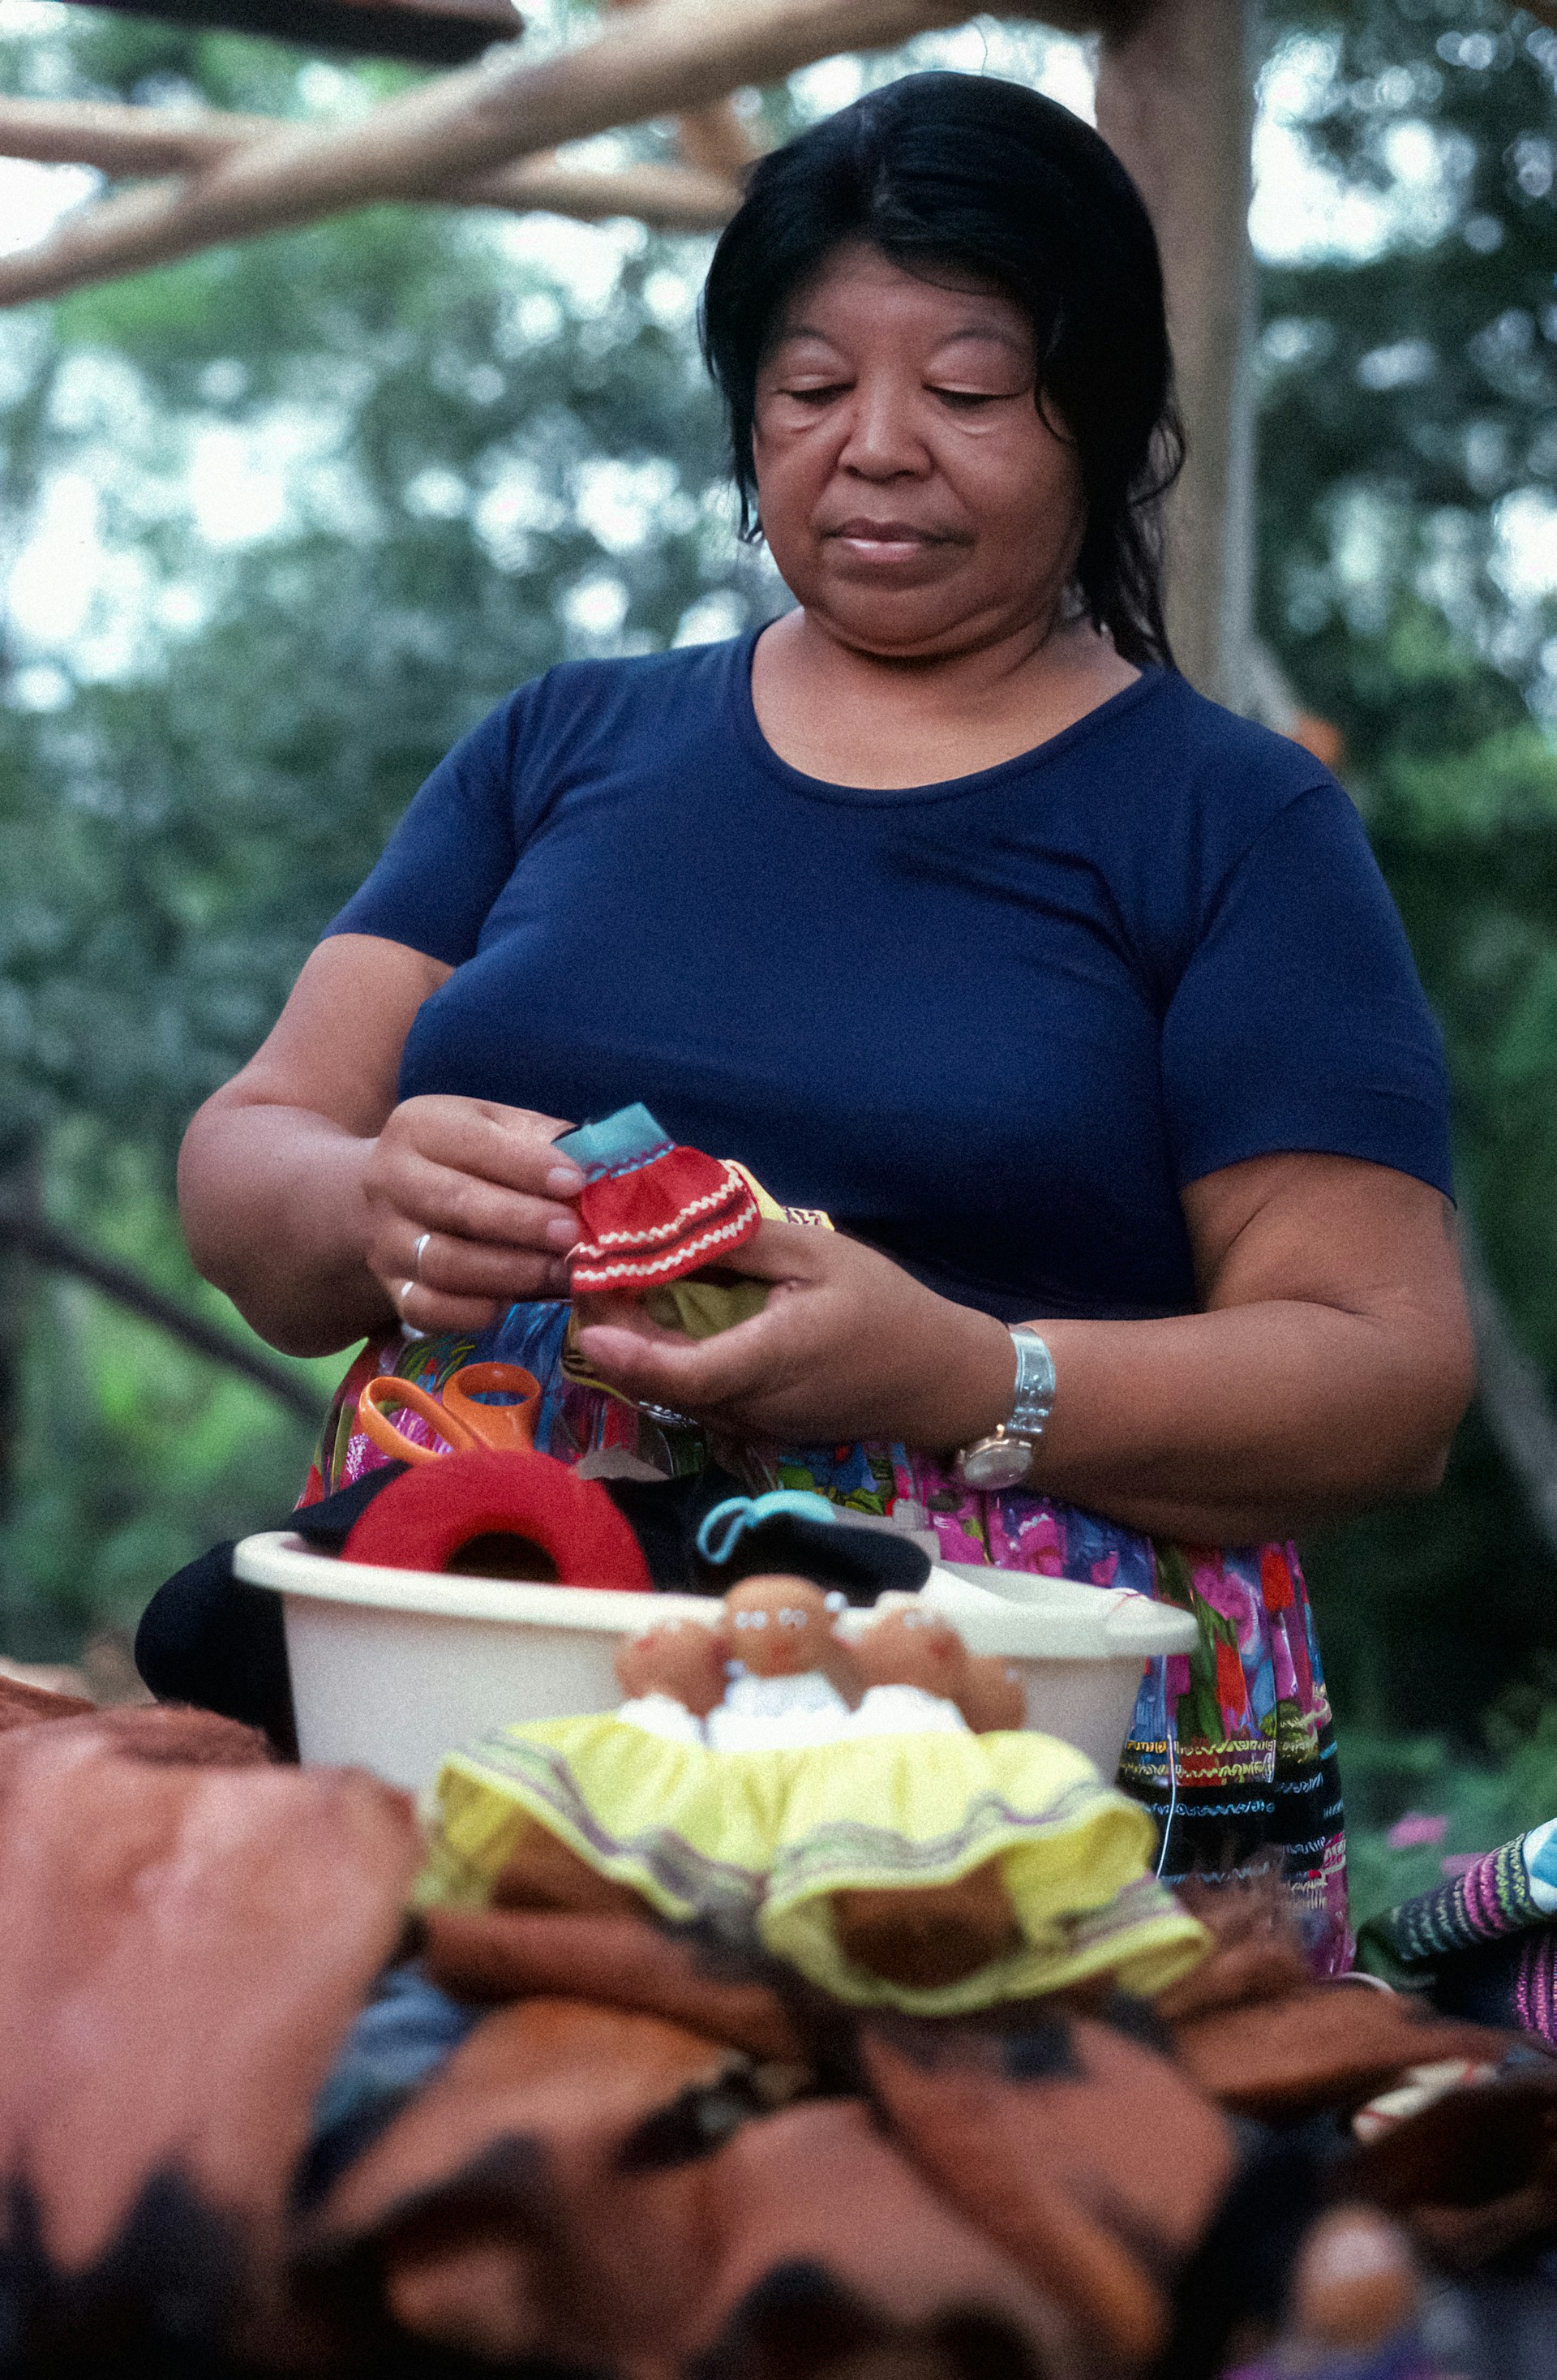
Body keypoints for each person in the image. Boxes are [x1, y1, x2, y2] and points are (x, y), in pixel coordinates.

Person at [165, 71, 1473, 1974]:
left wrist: (961, 1378)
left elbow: (1386, 1374)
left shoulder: (1229, 823)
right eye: (807, 391)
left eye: (963, 392)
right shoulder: (564, 743)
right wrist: (371, 1196)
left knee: (932, 2226)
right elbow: (247, 1161)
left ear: (1098, 419)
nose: (875, 451)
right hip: (469, 1669)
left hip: (983, 1754)